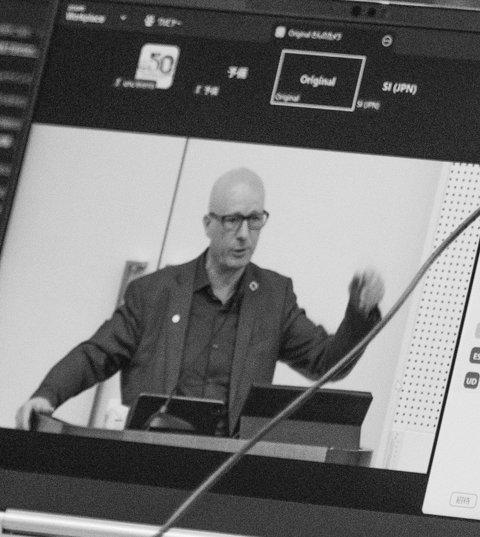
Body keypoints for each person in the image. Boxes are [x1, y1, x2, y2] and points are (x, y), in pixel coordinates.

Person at [20, 167, 384, 436]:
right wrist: (48, 393)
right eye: (232, 221)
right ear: (208, 224)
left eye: (255, 220)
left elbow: (327, 363)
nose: (244, 235)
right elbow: (95, 354)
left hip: (226, 468)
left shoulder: (274, 297)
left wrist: (360, 313)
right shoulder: (154, 293)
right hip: (150, 452)